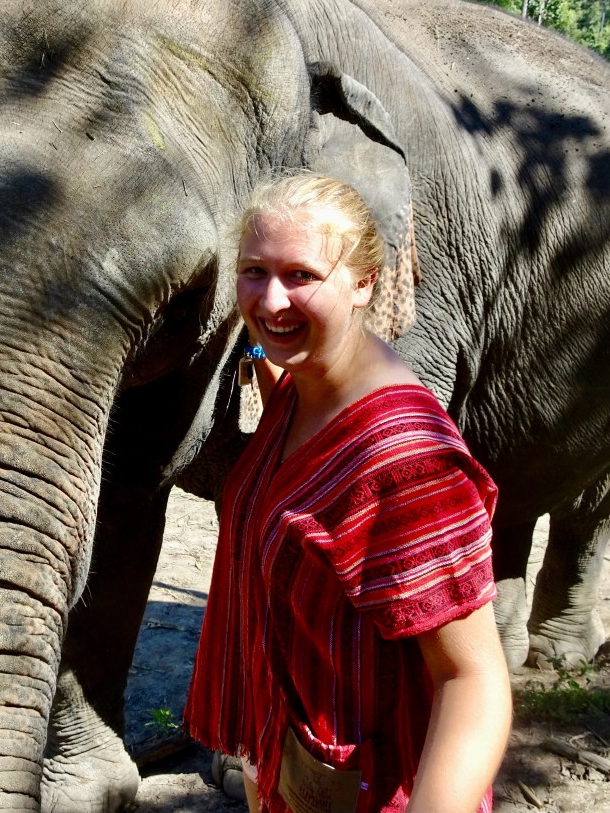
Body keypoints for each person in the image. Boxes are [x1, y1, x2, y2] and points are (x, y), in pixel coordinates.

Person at [183, 174, 511, 813]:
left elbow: (471, 679)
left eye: (302, 275)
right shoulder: (303, 385)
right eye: (254, 271)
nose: (271, 298)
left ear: (364, 284)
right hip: (291, 768)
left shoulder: (407, 463)